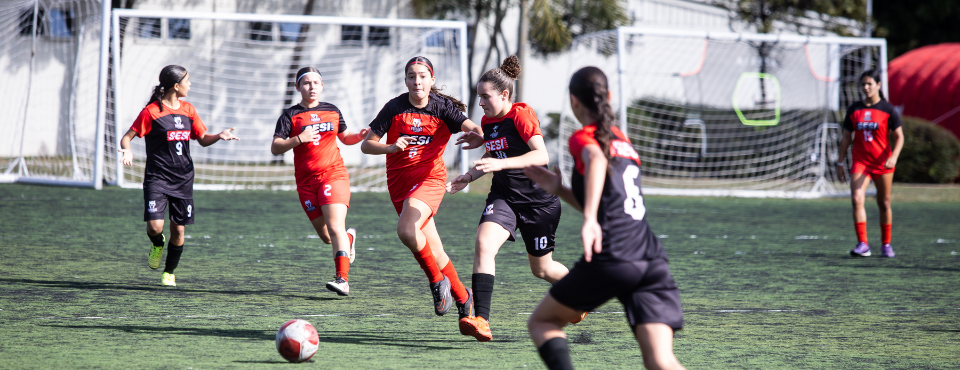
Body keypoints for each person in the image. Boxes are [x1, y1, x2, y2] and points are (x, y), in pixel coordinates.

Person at [523, 67, 685, 370]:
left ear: (574, 101)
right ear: (608, 96)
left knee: (543, 322)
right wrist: (560, 190)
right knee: (660, 360)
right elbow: (608, 205)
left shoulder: (583, 138)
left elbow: (596, 159)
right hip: (650, 258)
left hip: (615, 255)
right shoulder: (623, 139)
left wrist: (589, 221)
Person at [447, 55, 580, 342]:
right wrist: (468, 176)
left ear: (505, 95)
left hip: (539, 203)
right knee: (483, 244)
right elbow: (495, 154)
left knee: (542, 269)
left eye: (485, 96)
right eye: (479, 96)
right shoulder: (488, 121)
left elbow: (541, 155)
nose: (480, 103)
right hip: (504, 197)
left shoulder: (522, 114)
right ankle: (481, 320)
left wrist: (500, 163)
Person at [360, 56, 485, 321]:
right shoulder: (394, 107)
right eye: (412, 76)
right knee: (434, 250)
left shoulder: (442, 107)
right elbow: (367, 145)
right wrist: (391, 147)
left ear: (432, 80)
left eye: (422, 76)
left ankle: (437, 282)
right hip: (399, 183)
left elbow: (470, 125)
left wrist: (480, 134)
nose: (417, 81)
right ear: (405, 80)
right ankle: (464, 296)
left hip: (430, 179)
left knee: (406, 230)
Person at [118, 65, 239, 287]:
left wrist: (219, 136)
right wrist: (127, 150)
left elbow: (202, 138)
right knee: (155, 227)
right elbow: (127, 137)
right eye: (187, 81)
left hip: (183, 178)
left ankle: (169, 272)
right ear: (176, 86)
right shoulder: (151, 112)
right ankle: (157, 243)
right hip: (157, 177)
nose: (190, 84)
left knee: (179, 229)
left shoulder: (189, 110)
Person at [271, 67, 368, 296]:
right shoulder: (290, 115)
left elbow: (345, 137)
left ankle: (342, 280)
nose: (311, 86)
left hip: (333, 175)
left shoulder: (332, 110)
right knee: (327, 236)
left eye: (316, 82)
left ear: (322, 86)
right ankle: (349, 238)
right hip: (306, 183)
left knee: (335, 227)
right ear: (297, 87)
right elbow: (275, 147)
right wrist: (298, 138)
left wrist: (360, 136)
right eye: (306, 83)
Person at [837, 69, 904, 258]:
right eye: (863, 84)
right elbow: (846, 137)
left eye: (869, 84)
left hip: (882, 163)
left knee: (884, 202)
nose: (866, 87)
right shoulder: (854, 109)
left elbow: (900, 137)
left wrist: (894, 157)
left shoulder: (888, 109)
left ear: (878, 85)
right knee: (856, 198)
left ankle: (886, 244)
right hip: (861, 162)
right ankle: (863, 244)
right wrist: (840, 162)